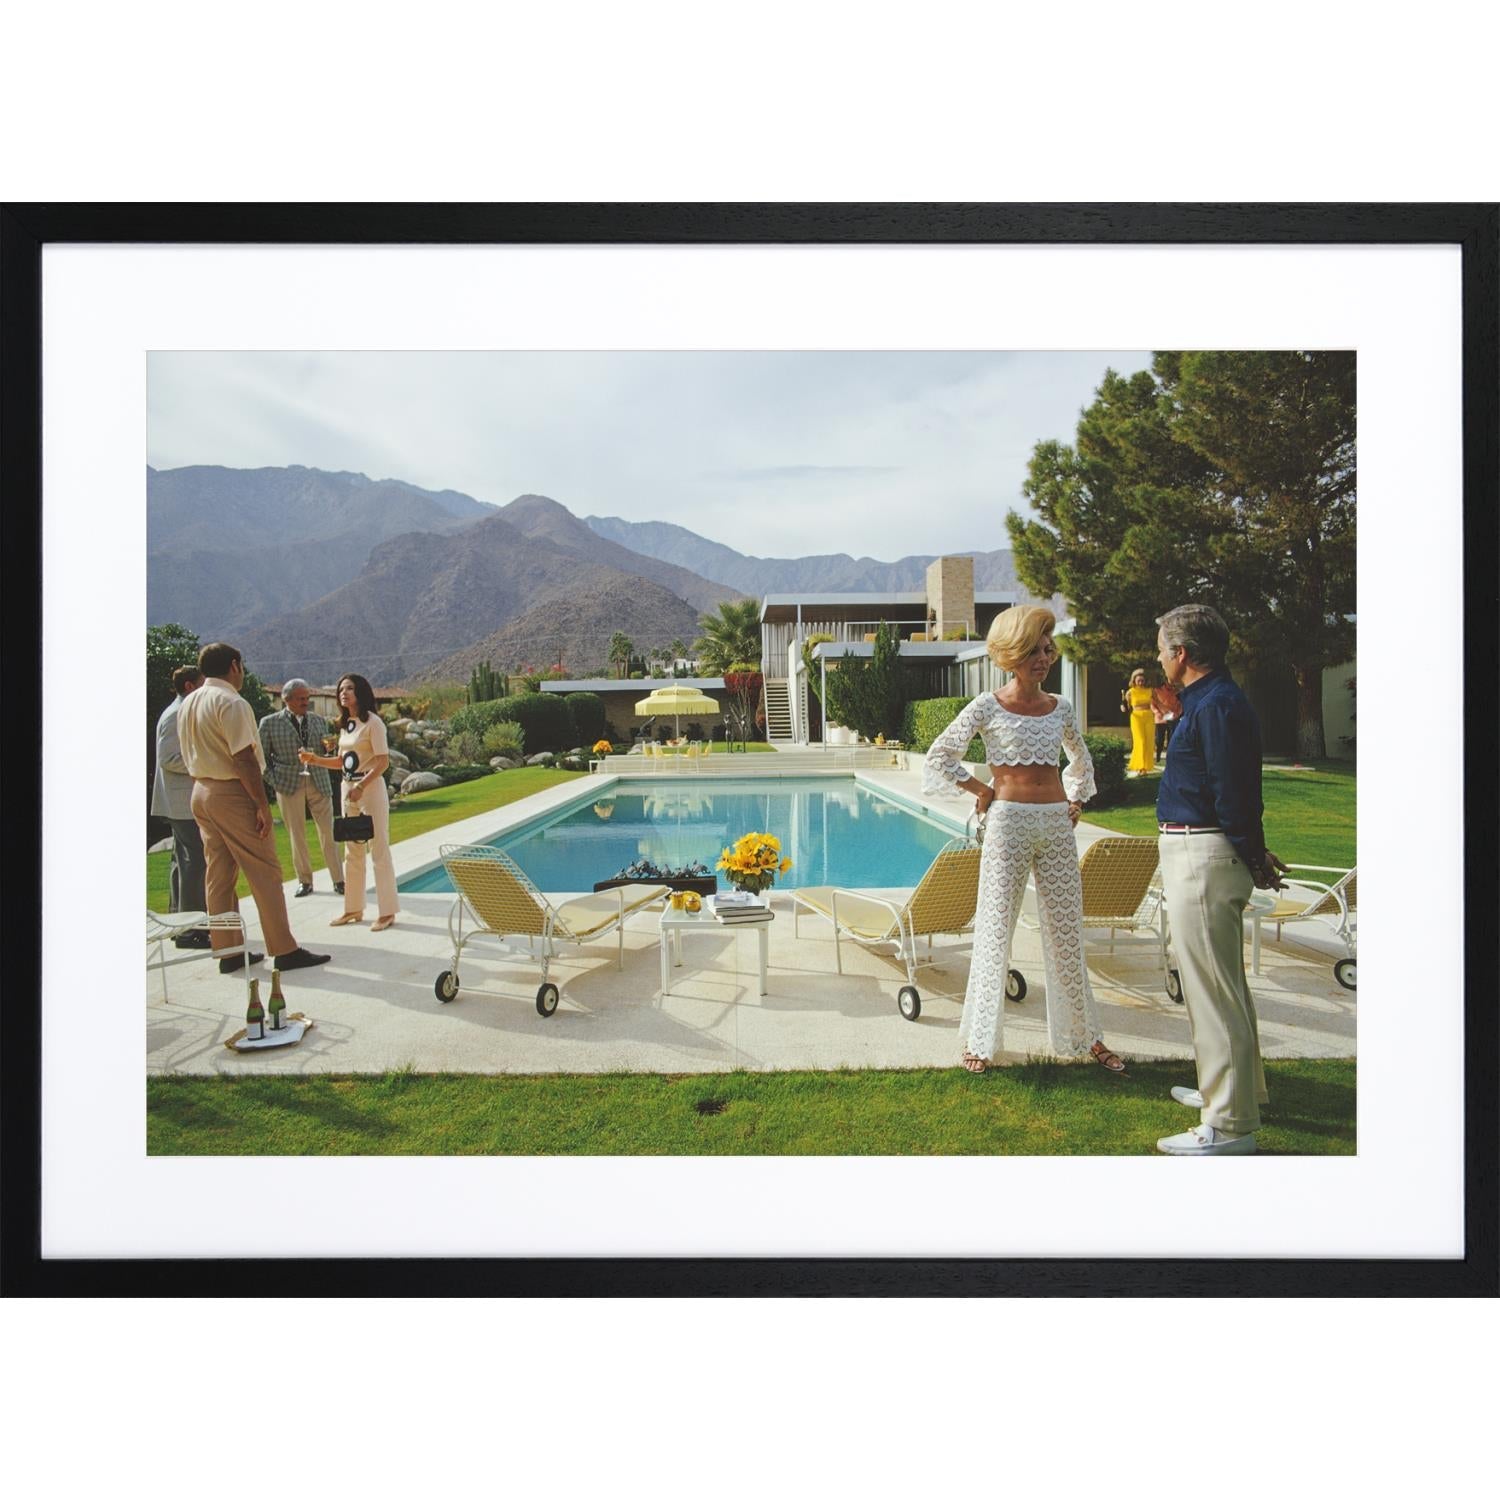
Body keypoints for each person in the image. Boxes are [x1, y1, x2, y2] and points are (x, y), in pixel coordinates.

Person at [923, 605, 1126, 1077]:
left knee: (1066, 934)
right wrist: (980, 789)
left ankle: (1086, 1037)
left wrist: (1074, 802)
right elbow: (940, 755)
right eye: (1035, 649)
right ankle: (980, 1040)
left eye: (1048, 647)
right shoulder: (986, 706)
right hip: (1008, 824)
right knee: (995, 930)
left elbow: (1081, 762)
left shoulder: (1061, 708)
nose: (1045, 656)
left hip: (1055, 825)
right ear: (1012, 654)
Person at [1153, 603, 1288, 1156]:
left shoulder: (1219, 707)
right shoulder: (1207, 703)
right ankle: (1234, 1092)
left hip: (1202, 857)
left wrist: (1254, 857)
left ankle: (1230, 1124)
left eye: (1162, 648)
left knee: (1213, 991)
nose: (1158, 657)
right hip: (1197, 851)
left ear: (1182, 654)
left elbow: (1234, 795)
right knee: (1222, 983)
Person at [177, 641, 331, 975]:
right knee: (264, 870)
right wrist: (261, 804)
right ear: (235, 665)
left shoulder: (190, 701)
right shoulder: (230, 701)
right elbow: (244, 757)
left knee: (218, 874)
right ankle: (284, 949)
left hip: (201, 790)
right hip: (231, 792)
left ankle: (228, 951)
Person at [300, 672, 399, 932]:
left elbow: (382, 761)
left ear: (361, 692)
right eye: (341, 689)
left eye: (350, 688)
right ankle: (353, 908)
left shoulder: (373, 724)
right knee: (352, 851)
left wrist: (361, 786)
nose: (344, 693)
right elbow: (342, 762)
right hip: (349, 790)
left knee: (378, 849)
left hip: (369, 790)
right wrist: (315, 760)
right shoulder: (347, 725)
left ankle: (387, 912)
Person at [259, 677, 345, 899]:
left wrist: (329, 752)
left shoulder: (318, 720)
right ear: (286, 699)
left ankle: (339, 880)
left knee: (328, 831)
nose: (306, 702)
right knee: (296, 835)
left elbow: (326, 751)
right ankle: (305, 881)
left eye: (307, 698)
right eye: (301, 699)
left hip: (319, 780)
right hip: (288, 784)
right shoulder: (269, 723)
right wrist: (274, 781)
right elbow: (261, 758)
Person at [151, 665, 209, 946]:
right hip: (181, 802)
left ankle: (178, 922)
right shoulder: (176, 714)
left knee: (182, 861)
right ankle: (191, 929)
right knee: (195, 861)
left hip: (179, 801)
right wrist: (204, 763)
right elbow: (168, 758)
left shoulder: (179, 710)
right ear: (189, 686)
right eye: (202, 683)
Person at [1122, 667, 1155, 776]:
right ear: (1134, 681)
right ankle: (1140, 766)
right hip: (1136, 717)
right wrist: (1123, 708)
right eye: (1138, 680)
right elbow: (1125, 706)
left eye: (1142, 680)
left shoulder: (1150, 690)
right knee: (1140, 741)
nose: (1140, 682)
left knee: (1149, 741)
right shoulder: (1130, 692)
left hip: (1149, 716)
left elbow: (1158, 703)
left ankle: (1146, 766)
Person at [1151, 674, 1182, 759]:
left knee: (1171, 738)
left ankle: (1170, 755)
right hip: (1161, 717)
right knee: (1159, 739)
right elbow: (1152, 704)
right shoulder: (1157, 690)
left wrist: (1178, 713)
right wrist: (1157, 712)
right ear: (1165, 681)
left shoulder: (1177, 691)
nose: (1172, 683)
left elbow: (1180, 704)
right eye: (1170, 680)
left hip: (1172, 717)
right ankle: (1158, 755)